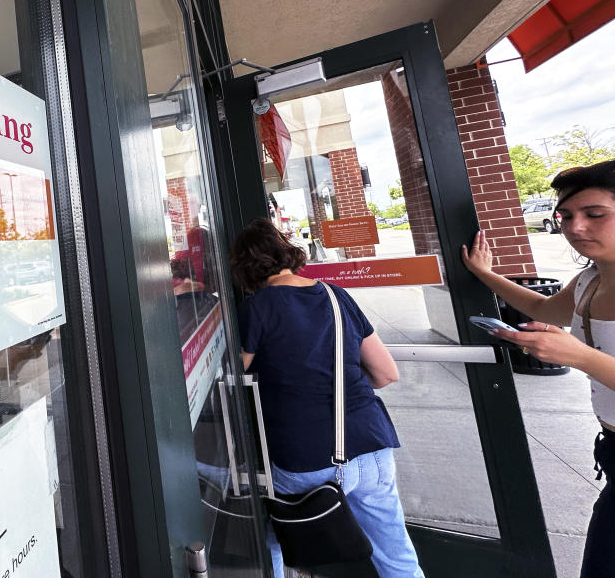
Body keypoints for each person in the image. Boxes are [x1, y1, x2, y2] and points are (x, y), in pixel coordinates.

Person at [229, 218, 424, 578]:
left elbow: (231, 379)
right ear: (287, 252)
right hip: (370, 443)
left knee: (273, 539)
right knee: (395, 554)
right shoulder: (337, 295)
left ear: (244, 268)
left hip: (302, 455)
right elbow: (386, 373)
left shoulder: (256, 308)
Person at [462, 160, 615, 577]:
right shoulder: (590, 280)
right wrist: (485, 274)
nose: (575, 227)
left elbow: (585, 354)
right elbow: (543, 308)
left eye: (595, 215)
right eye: (565, 216)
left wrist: (579, 356)